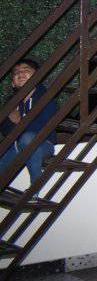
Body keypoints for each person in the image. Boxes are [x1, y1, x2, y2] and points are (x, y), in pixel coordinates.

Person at [1, 58, 58, 194]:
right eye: (16, 72)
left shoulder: (46, 97)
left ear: (37, 76)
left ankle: (35, 187)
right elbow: (5, 129)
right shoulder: (12, 101)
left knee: (28, 138)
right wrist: (15, 123)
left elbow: (43, 128)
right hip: (16, 147)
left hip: (43, 145)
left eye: (26, 70)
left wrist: (20, 121)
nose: (20, 74)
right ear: (13, 83)